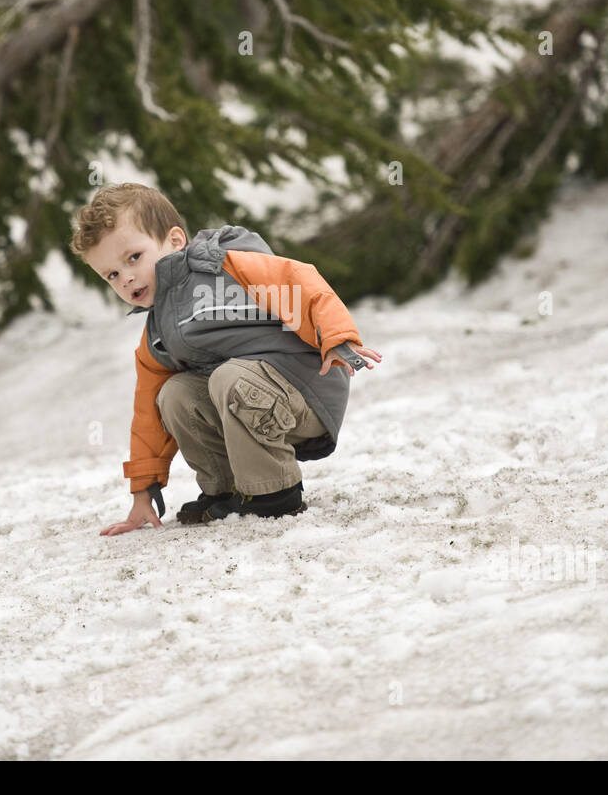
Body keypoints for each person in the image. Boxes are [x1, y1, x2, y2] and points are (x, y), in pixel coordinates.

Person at [69, 183, 381, 536]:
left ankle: (274, 492)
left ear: (173, 241)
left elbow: (298, 283)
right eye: (111, 274)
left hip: (306, 390)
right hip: (249, 396)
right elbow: (148, 417)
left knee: (229, 377)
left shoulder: (224, 267)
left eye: (133, 258)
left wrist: (336, 337)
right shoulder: (158, 335)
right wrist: (143, 490)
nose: (125, 277)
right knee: (174, 394)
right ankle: (226, 489)